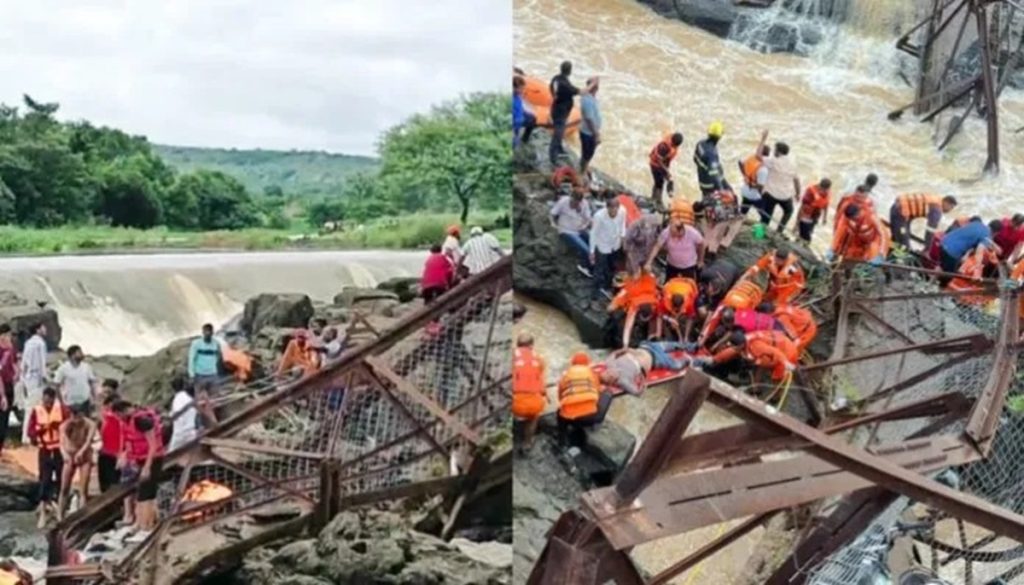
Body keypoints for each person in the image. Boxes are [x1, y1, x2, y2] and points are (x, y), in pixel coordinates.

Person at [27, 387, 67, 528]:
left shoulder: (61, 410)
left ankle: (60, 509)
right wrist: (41, 430)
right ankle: (43, 510)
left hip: (59, 450)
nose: (47, 404)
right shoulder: (36, 410)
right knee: (45, 479)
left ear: (54, 399)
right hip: (44, 450)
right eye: (45, 402)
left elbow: (69, 426)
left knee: (62, 478)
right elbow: (30, 431)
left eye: (50, 402)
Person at [699, 329, 799, 382]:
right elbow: (732, 351)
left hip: (787, 351)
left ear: (742, 345)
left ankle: (773, 398)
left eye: (736, 348)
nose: (735, 349)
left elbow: (777, 353)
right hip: (774, 344)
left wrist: (787, 364)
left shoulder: (757, 347)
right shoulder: (743, 340)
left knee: (776, 377)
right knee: (757, 362)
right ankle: (755, 388)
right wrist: (713, 359)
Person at [123, 405, 165, 530]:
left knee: (145, 495)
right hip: (143, 459)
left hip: (152, 459)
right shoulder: (134, 420)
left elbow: (153, 445)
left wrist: (147, 467)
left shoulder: (142, 421)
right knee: (146, 493)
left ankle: (145, 526)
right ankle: (146, 523)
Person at [598, 342, 691, 396]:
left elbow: (613, 354)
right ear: (612, 382)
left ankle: (692, 346)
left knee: (676, 345)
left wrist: (623, 350)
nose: (611, 374)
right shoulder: (623, 381)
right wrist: (643, 381)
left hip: (646, 347)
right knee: (677, 365)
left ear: (607, 371)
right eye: (611, 378)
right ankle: (693, 359)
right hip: (655, 358)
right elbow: (638, 393)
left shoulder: (610, 364)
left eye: (608, 373)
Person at [556, 352, 609, 444]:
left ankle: (562, 439)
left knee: (559, 413)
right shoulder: (592, 373)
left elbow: (560, 396)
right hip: (590, 417)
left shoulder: (566, 374)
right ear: (587, 363)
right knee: (607, 395)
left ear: (573, 363)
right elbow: (597, 392)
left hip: (568, 418)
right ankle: (593, 427)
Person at [57, 402, 96, 519]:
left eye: (78, 416)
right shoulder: (65, 425)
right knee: (64, 487)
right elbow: (62, 443)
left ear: (82, 415)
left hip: (85, 455)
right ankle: (60, 516)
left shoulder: (90, 424)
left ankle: (82, 516)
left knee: (83, 489)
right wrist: (66, 455)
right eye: (73, 417)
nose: (76, 419)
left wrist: (81, 452)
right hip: (69, 455)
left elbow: (88, 441)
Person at [512, 334, 547, 454]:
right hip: (533, 404)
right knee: (533, 417)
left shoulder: (511, 356)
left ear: (517, 345)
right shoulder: (539, 359)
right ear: (531, 346)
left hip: (515, 403)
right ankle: (527, 443)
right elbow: (539, 380)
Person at [645, 212, 705, 280]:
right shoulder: (666, 232)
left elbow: (701, 245)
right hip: (672, 266)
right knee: (668, 286)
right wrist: (649, 262)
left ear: (680, 230)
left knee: (687, 287)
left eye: (673, 234)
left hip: (688, 267)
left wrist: (700, 260)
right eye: (670, 232)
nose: (671, 235)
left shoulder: (693, 233)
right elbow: (657, 246)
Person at [608, 270, 660, 348]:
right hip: (644, 315)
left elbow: (610, 308)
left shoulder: (626, 292)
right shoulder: (654, 291)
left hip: (635, 312)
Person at [589, 196, 626, 302]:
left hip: (615, 244)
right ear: (607, 208)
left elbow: (622, 224)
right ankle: (594, 293)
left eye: (616, 209)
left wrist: (623, 236)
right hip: (602, 245)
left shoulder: (622, 211)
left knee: (612, 267)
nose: (614, 212)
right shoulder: (599, 216)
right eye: (611, 209)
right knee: (598, 269)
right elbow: (593, 233)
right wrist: (592, 251)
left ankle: (608, 286)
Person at [889, 193, 958, 250]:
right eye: (951, 207)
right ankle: (898, 261)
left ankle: (890, 250)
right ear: (946, 202)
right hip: (900, 213)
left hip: (897, 208)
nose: (950, 210)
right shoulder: (937, 209)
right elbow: (930, 231)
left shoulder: (935, 199)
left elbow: (912, 211)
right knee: (904, 244)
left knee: (898, 236)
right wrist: (927, 249)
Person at [550, 188, 593, 276]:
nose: (575, 204)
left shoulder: (584, 204)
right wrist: (553, 224)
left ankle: (596, 265)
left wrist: (584, 226)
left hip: (579, 229)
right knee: (586, 249)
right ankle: (584, 266)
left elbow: (588, 218)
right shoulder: (563, 201)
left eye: (577, 202)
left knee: (594, 243)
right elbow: (552, 214)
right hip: (566, 230)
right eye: (574, 201)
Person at [18, 322, 48, 443]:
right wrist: (45, 377)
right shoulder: (40, 343)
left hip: (27, 377)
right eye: (43, 327)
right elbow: (42, 363)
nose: (45, 329)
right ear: (38, 330)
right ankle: (32, 435)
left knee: (28, 407)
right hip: (36, 378)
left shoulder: (28, 343)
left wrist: (22, 378)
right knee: (37, 407)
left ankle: (25, 434)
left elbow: (23, 363)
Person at [761, 142, 800, 233]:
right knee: (789, 211)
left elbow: (758, 156)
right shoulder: (793, 164)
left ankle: (759, 235)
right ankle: (779, 231)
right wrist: (798, 194)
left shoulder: (773, 161)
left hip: (771, 194)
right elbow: (796, 181)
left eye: (775, 150)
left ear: (778, 152)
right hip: (785, 196)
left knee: (765, 217)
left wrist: (763, 139)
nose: (773, 151)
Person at [549, 60, 579, 165]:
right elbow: (579, 91)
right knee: (558, 133)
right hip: (560, 113)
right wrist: (591, 87)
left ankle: (560, 149)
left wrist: (555, 97)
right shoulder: (565, 85)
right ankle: (553, 157)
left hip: (557, 109)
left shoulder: (556, 79)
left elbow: (551, 88)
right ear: (570, 71)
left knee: (560, 130)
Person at [53, 345, 99, 414]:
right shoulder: (63, 368)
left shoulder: (86, 367)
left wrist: (95, 399)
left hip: (85, 402)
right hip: (70, 403)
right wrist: (61, 402)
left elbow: (91, 383)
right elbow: (56, 385)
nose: (82, 354)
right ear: (72, 355)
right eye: (79, 352)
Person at [699, 189, 744, 257]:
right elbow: (714, 218)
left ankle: (709, 248)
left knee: (712, 231)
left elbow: (735, 213)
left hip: (711, 214)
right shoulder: (716, 206)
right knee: (716, 232)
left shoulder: (718, 196)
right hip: (714, 216)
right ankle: (711, 250)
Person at [738, 130, 771, 220]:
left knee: (742, 213)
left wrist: (745, 176)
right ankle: (759, 234)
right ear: (767, 156)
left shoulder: (751, 159)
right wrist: (753, 185)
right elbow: (760, 187)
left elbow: (740, 163)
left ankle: (737, 228)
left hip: (744, 190)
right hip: (754, 195)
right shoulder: (763, 169)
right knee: (765, 217)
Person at [693, 121, 730, 197]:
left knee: (706, 200)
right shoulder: (712, 154)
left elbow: (695, 159)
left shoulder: (700, 144)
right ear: (719, 137)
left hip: (702, 181)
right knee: (729, 198)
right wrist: (721, 190)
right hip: (710, 185)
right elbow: (714, 175)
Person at [98, 394, 126, 493]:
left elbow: (123, 436)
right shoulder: (106, 417)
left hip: (115, 453)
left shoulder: (119, 418)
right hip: (106, 452)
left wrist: (121, 453)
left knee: (113, 480)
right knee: (107, 481)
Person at [649, 132, 684, 211]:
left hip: (662, 164)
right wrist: (667, 171)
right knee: (659, 183)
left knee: (666, 180)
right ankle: (658, 202)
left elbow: (666, 159)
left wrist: (667, 171)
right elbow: (659, 161)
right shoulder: (664, 147)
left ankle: (653, 198)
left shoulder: (671, 143)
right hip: (655, 165)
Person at [657, 276, 699, 342]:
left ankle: (685, 337)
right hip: (672, 284)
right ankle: (658, 335)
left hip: (688, 285)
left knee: (689, 317)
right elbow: (659, 314)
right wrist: (669, 319)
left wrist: (685, 337)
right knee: (670, 320)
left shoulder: (689, 301)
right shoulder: (665, 299)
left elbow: (690, 318)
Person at [623, 211, 663, 275]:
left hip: (647, 256)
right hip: (634, 256)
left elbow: (657, 242)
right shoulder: (634, 227)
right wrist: (634, 268)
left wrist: (649, 262)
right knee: (634, 277)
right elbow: (627, 248)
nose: (650, 226)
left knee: (646, 276)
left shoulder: (656, 225)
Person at [795, 178, 832, 243]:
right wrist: (797, 223)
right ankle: (799, 243)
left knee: (809, 232)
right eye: (824, 190)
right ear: (820, 186)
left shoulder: (827, 193)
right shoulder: (810, 191)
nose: (825, 191)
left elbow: (826, 205)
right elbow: (802, 206)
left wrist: (824, 218)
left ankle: (800, 242)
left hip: (815, 217)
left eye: (826, 190)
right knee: (805, 236)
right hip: (805, 217)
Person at [579, 77, 602, 178]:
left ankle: (584, 166)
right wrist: (596, 134)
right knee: (588, 153)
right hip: (589, 133)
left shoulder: (590, 97)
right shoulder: (587, 100)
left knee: (588, 152)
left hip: (589, 132)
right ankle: (582, 172)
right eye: (597, 86)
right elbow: (589, 119)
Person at [168, 377, 199, 452]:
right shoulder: (189, 398)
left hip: (180, 434)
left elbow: (177, 414)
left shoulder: (177, 400)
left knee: (170, 455)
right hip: (191, 431)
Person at [188, 324, 223, 389]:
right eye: (206, 331)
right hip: (199, 375)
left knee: (215, 397)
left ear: (212, 332)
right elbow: (191, 359)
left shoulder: (216, 344)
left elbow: (219, 357)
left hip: (213, 374)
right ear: (203, 332)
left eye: (209, 331)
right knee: (200, 397)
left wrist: (216, 369)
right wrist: (191, 375)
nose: (207, 333)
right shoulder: (196, 344)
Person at [0, 324, 17, 455]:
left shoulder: (11, 348)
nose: (10, 337)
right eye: (9, 335)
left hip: (10, 385)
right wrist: (3, 394)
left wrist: (17, 374)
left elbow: (14, 364)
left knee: (5, 418)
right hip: (2, 386)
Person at [512, 75, 536, 148]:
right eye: (521, 88)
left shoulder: (518, 96)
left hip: (520, 117)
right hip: (516, 121)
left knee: (533, 118)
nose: (523, 90)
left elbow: (520, 107)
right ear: (514, 88)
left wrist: (525, 112)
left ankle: (525, 139)